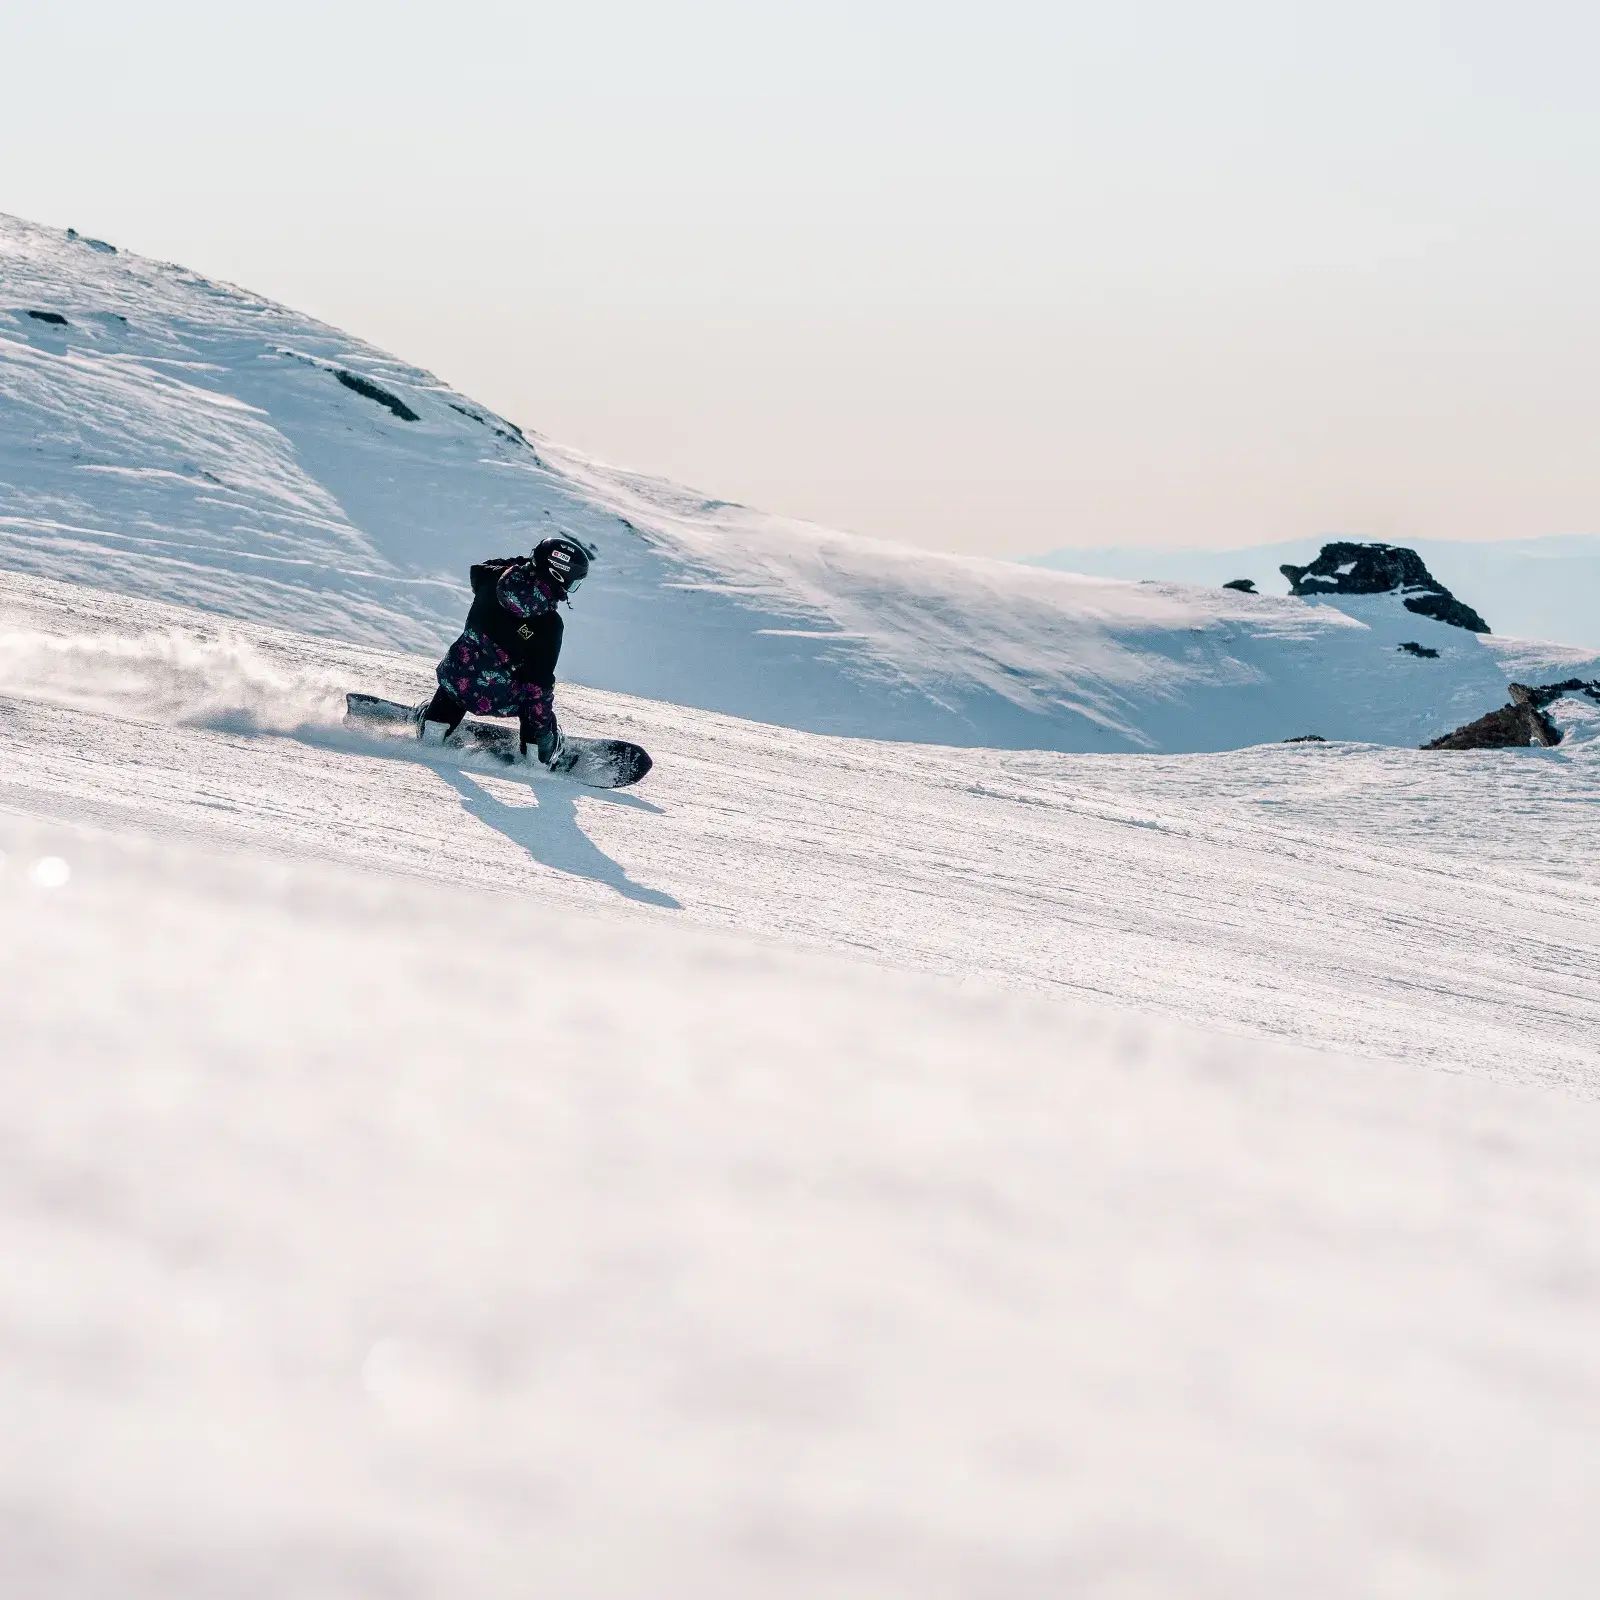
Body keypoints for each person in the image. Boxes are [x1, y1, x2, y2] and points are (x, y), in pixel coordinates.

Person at [419, 534, 594, 764]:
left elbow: (478, 570)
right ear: (557, 575)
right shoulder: (550, 625)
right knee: (533, 698)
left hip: (460, 681)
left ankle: (434, 729)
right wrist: (544, 730)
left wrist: (528, 563)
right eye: (573, 583)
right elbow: (538, 687)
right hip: (504, 697)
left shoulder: (490, 577)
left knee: (458, 681)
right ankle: (537, 754)